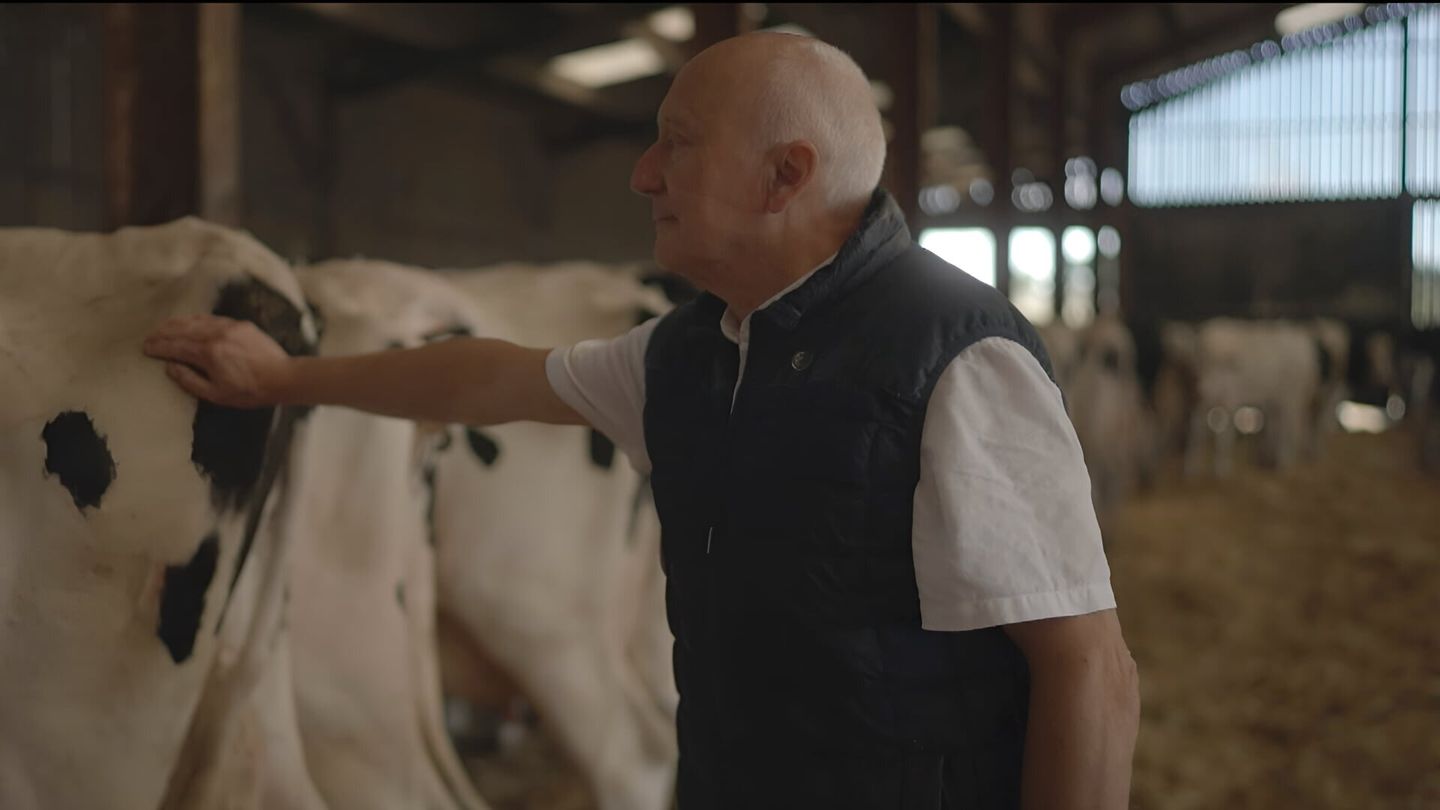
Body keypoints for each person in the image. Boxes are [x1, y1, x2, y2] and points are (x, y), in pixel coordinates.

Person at [145, 32, 1138, 810]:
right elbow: (484, 382)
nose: (643, 173)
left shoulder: (956, 355)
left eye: (678, 142)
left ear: (784, 175)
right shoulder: (696, 351)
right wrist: (286, 379)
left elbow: (1089, 670)